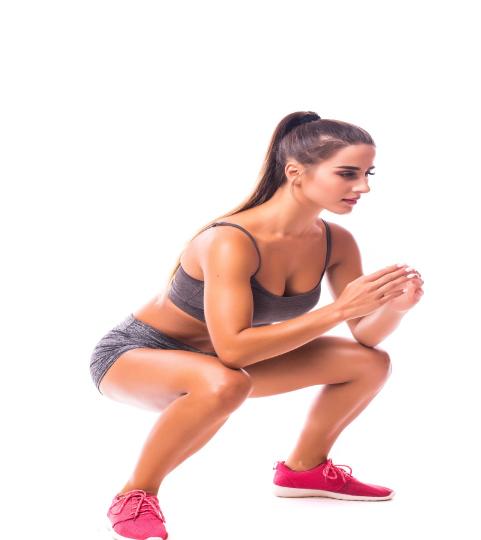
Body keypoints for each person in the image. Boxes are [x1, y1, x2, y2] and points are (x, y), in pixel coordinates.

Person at [89, 111, 424, 540]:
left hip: (222, 362)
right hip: (137, 354)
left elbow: (364, 334)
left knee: (368, 363)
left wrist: (394, 308)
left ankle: (305, 469)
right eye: (347, 173)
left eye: (366, 173)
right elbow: (234, 352)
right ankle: (136, 493)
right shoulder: (230, 240)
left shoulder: (336, 242)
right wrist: (338, 311)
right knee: (226, 382)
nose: (363, 186)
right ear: (296, 172)